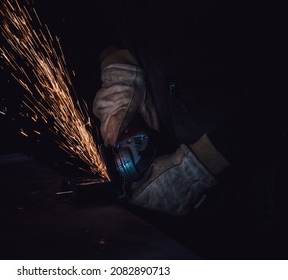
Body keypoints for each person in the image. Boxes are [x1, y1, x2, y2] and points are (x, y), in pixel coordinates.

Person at [92, 0, 284, 217]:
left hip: (249, 169)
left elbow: (275, 87)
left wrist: (200, 164)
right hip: (168, 141)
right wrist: (118, 62)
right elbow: (101, 14)